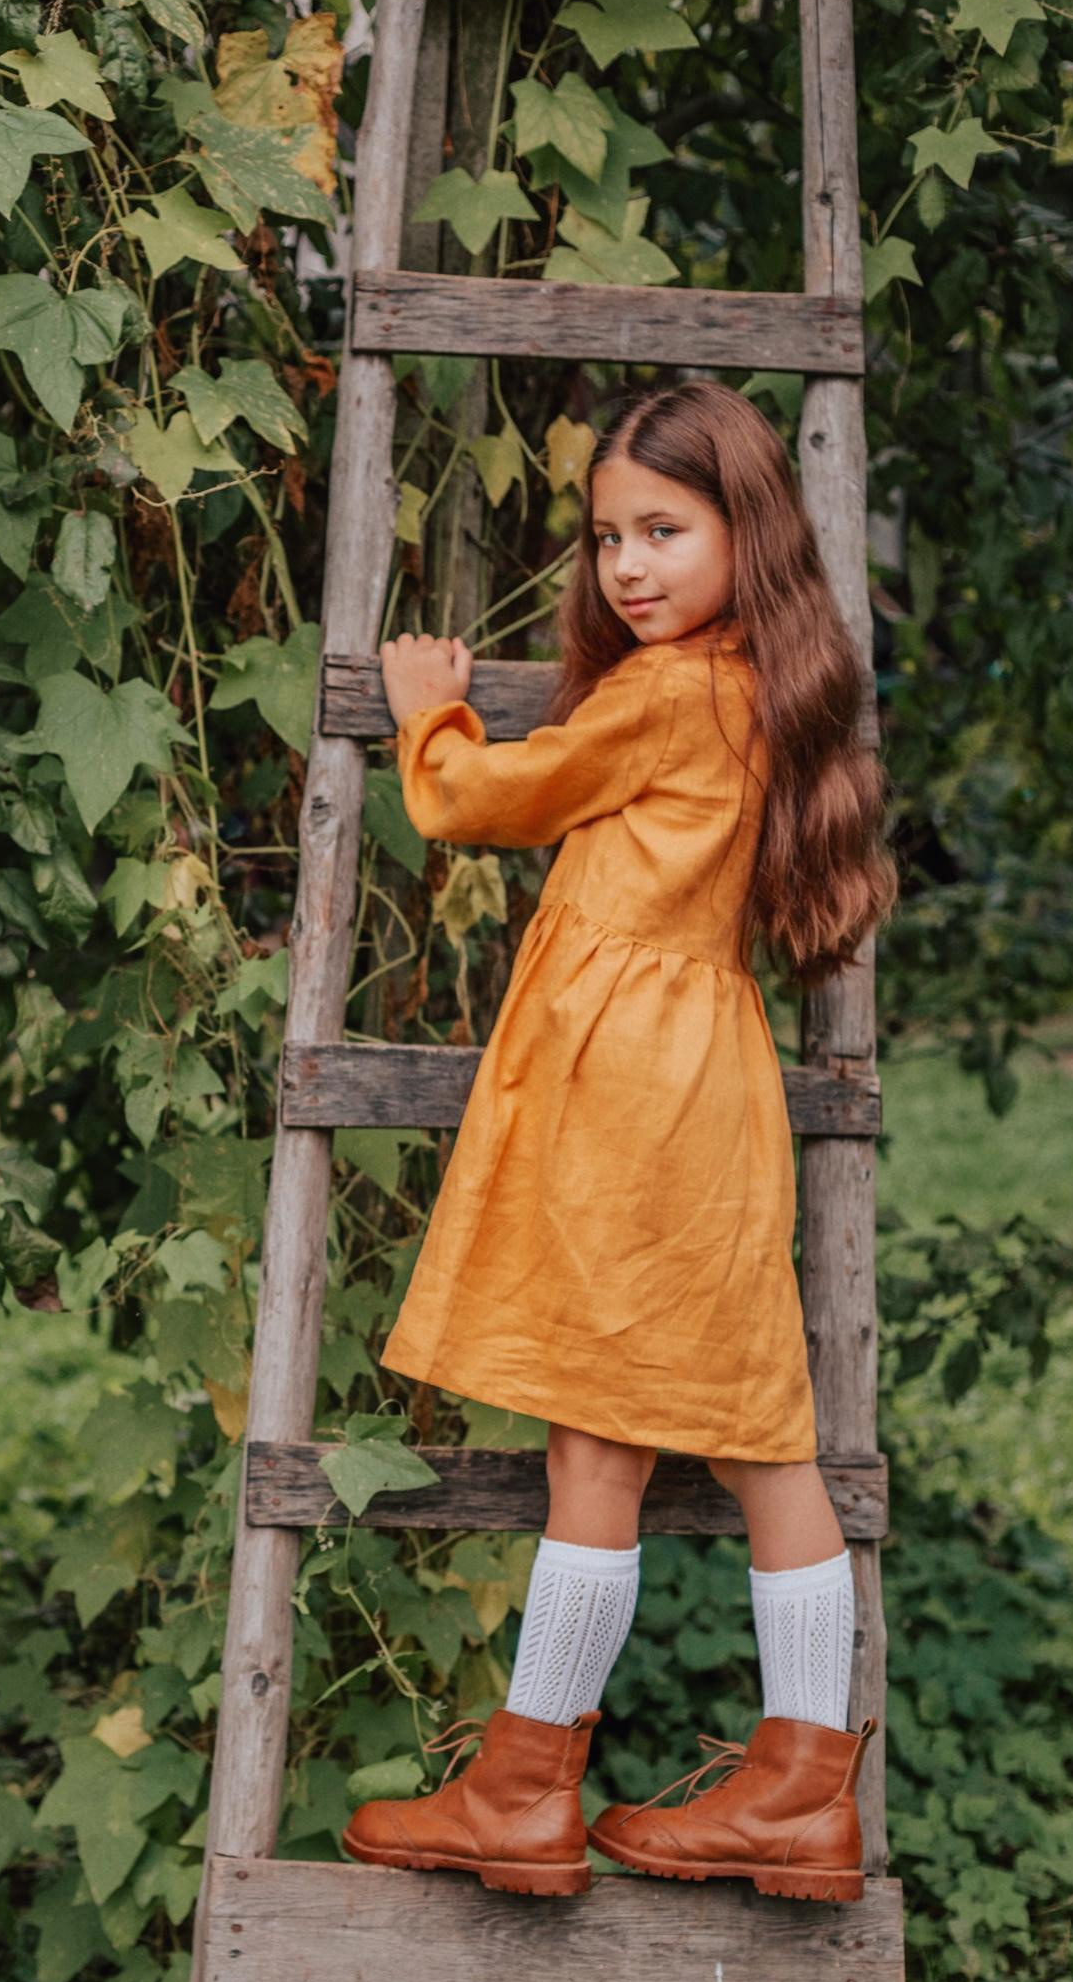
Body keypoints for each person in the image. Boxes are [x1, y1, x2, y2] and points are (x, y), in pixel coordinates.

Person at [341, 380, 898, 1905]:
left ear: (747, 532)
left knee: (613, 1432)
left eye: (664, 529)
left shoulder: (664, 696)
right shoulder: (747, 686)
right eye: (605, 540)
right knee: (754, 1431)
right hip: (702, 1080)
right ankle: (797, 1777)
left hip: (632, 1094)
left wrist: (427, 715)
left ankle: (533, 1786)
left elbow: (482, 801)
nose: (627, 568)